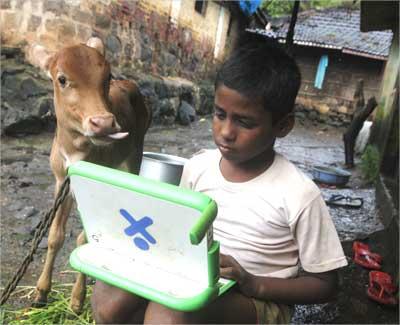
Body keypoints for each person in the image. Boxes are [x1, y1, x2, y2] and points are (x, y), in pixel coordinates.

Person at [91, 32, 348, 324]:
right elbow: (175, 232)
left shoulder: (299, 194)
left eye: (244, 122)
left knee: (169, 313)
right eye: (219, 114)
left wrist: (254, 283)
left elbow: (326, 284)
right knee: (110, 299)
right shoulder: (199, 166)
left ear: (283, 126)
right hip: (189, 278)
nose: (226, 131)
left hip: (256, 300)